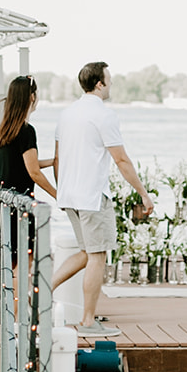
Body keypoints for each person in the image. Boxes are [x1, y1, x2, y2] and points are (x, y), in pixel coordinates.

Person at [52, 61, 154, 336]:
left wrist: (62, 192)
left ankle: (39, 289)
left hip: (70, 195)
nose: (111, 83)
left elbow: (59, 158)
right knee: (97, 256)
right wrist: (143, 194)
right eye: (109, 78)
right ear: (100, 83)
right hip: (92, 196)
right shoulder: (104, 115)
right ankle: (87, 321)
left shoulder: (67, 114)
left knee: (86, 253)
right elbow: (121, 159)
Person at [0, 76, 57, 266]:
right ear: (31, 97)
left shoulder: (5, 128)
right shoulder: (26, 131)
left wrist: (53, 162)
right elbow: (33, 172)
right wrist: (57, 195)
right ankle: (22, 296)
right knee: (23, 262)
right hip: (17, 205)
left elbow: (22, 164)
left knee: (6, 263)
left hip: (0, 202)